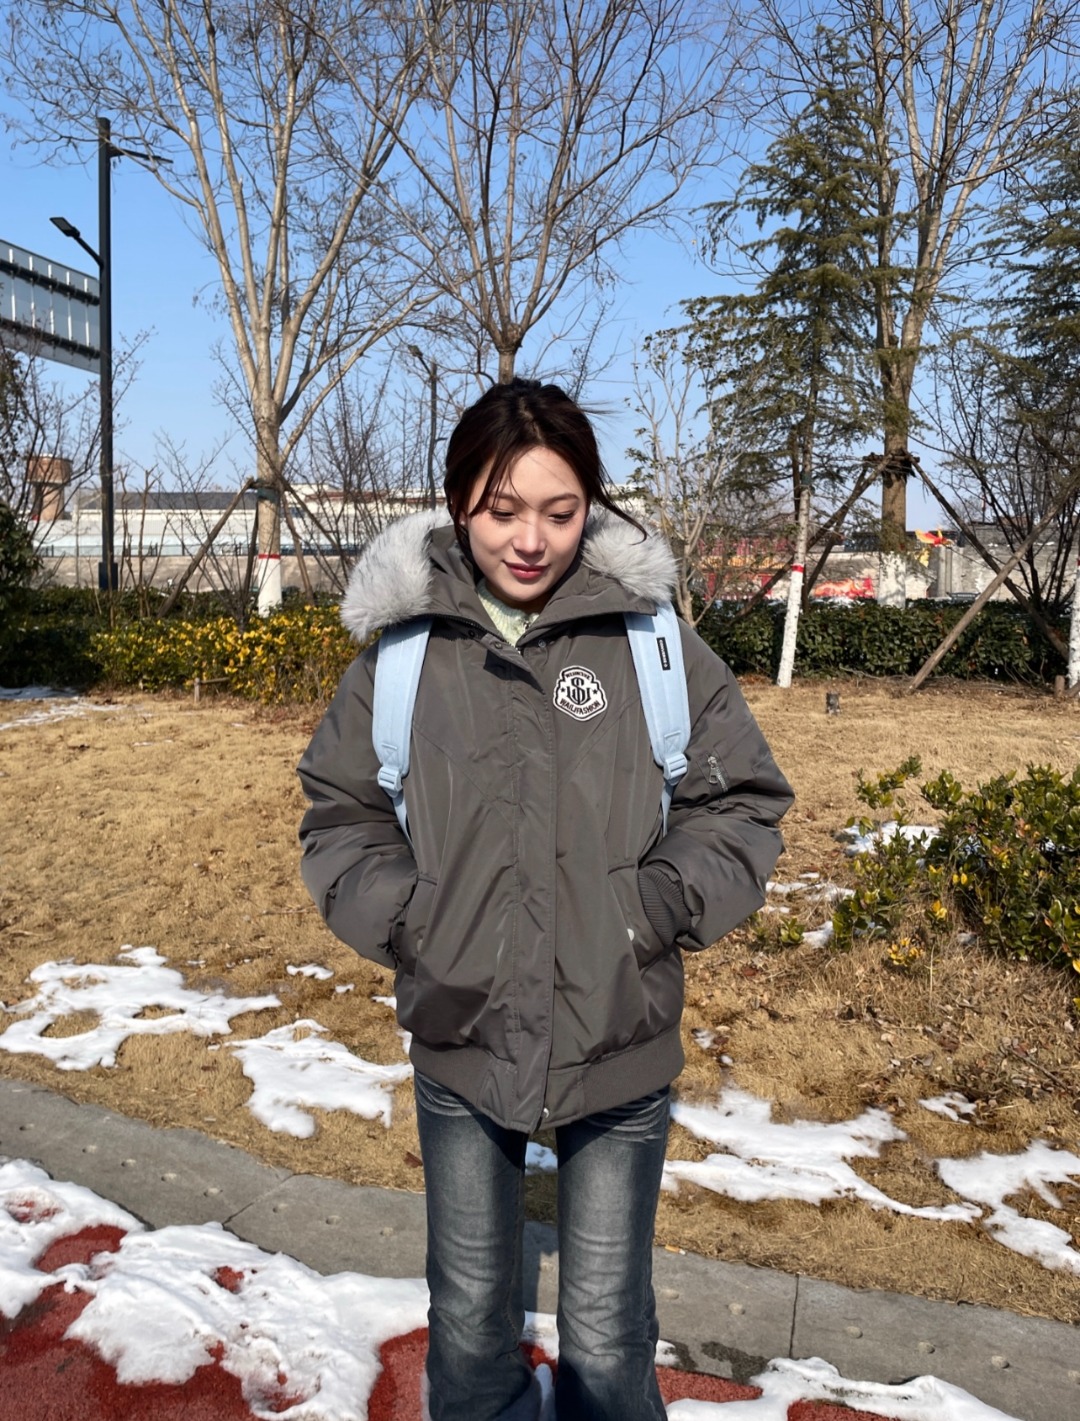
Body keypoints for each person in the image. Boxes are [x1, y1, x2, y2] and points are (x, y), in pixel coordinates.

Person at [297, 379, 793, 1421]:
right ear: (458, 503)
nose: (530, 540)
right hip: (461, 1032)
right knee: (469, 1319)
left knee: (608, 1335)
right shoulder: (404, 652)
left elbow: (741, 799)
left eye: (560, 512)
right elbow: (341, 812)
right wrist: (415, 921)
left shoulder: (652, 641)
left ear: (591, 507)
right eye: (502, 509)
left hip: (620, 1036)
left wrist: (653, 907)